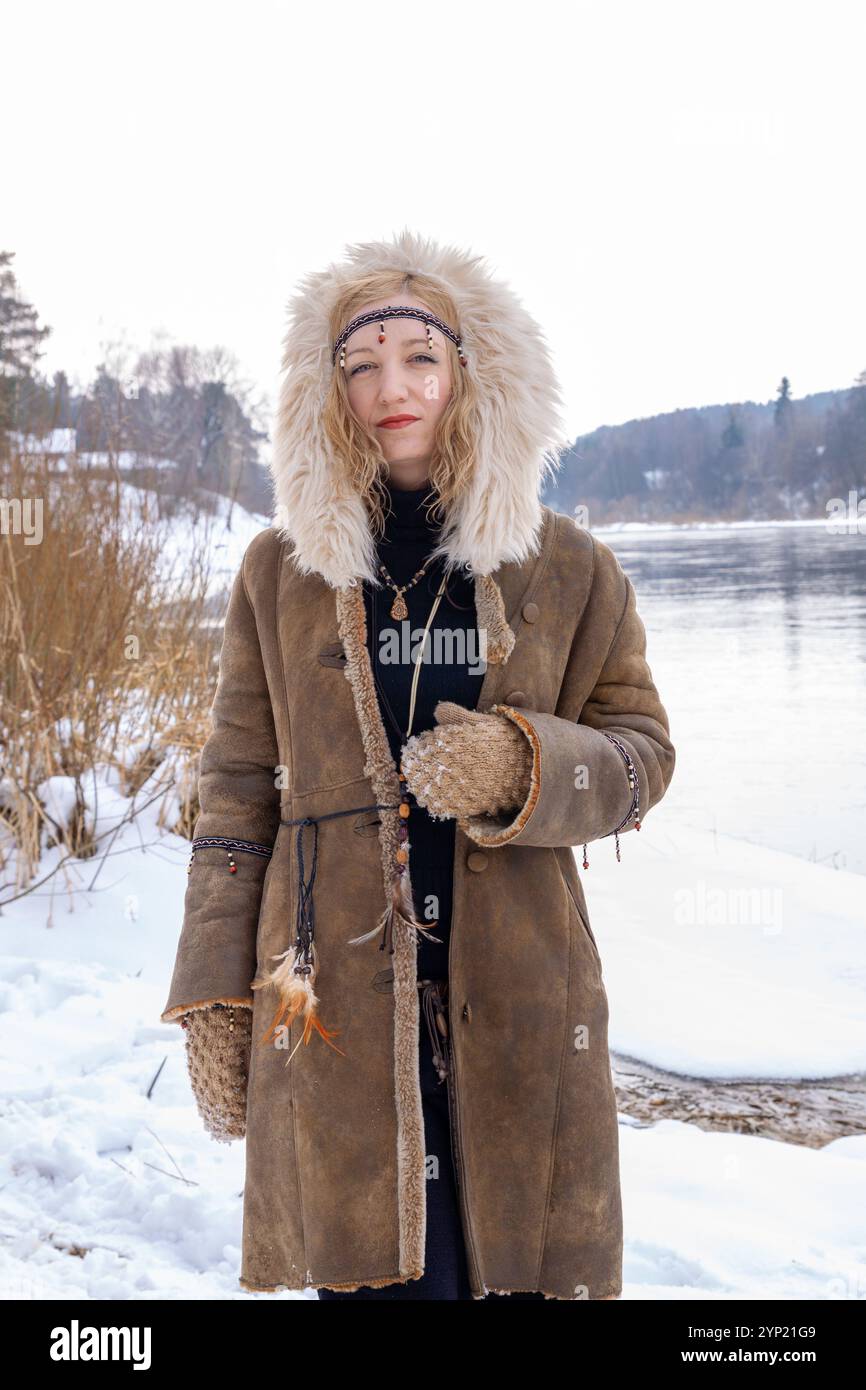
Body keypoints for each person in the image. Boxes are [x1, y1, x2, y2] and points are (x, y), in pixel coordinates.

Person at [161, 229, 676, 1301]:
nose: (388, 387)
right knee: (374, 1279)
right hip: (334, 1003)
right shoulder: (279, 571)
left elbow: (641, 757)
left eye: (417, 358)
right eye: (359, 364)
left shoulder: (568, 566)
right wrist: (213, 985)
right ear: (326, 388)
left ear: (471, 372)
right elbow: (235, 789)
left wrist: (521, 763)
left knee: (519, 1272)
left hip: (524, 992)